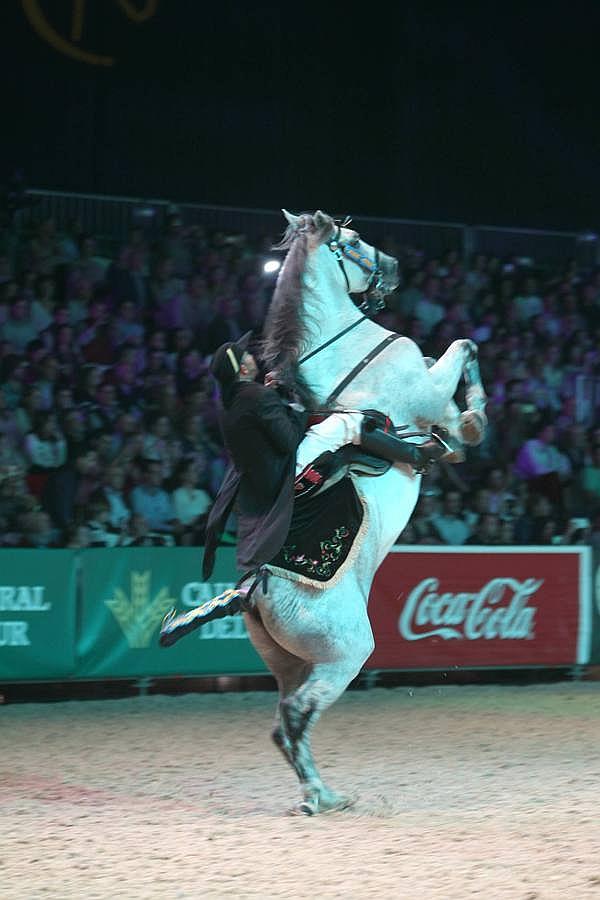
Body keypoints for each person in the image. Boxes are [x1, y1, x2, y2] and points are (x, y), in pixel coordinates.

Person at [160, 332, 447, 646]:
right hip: (284, 474)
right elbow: (286, 439)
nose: (251, 356)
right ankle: (418, 455)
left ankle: (207, 611)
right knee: (347, 424)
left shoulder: (230, 402)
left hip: (256, 487)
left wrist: (273, 398)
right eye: (245, 356)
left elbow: (262, 425)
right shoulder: (256, 397)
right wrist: (291, 406)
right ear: (242, 369)